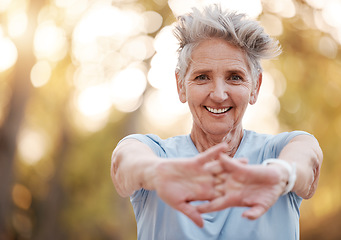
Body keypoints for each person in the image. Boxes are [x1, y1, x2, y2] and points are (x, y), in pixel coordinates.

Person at [110, 4, 323, 240]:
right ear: (181, 85)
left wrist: (282, 175)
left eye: (234, 77)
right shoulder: (155, 153)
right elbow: (126, 163)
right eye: (202, 77)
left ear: (255, 87)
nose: (219, 94)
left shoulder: (281, 150)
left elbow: (306, 161)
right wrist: (158, 174)